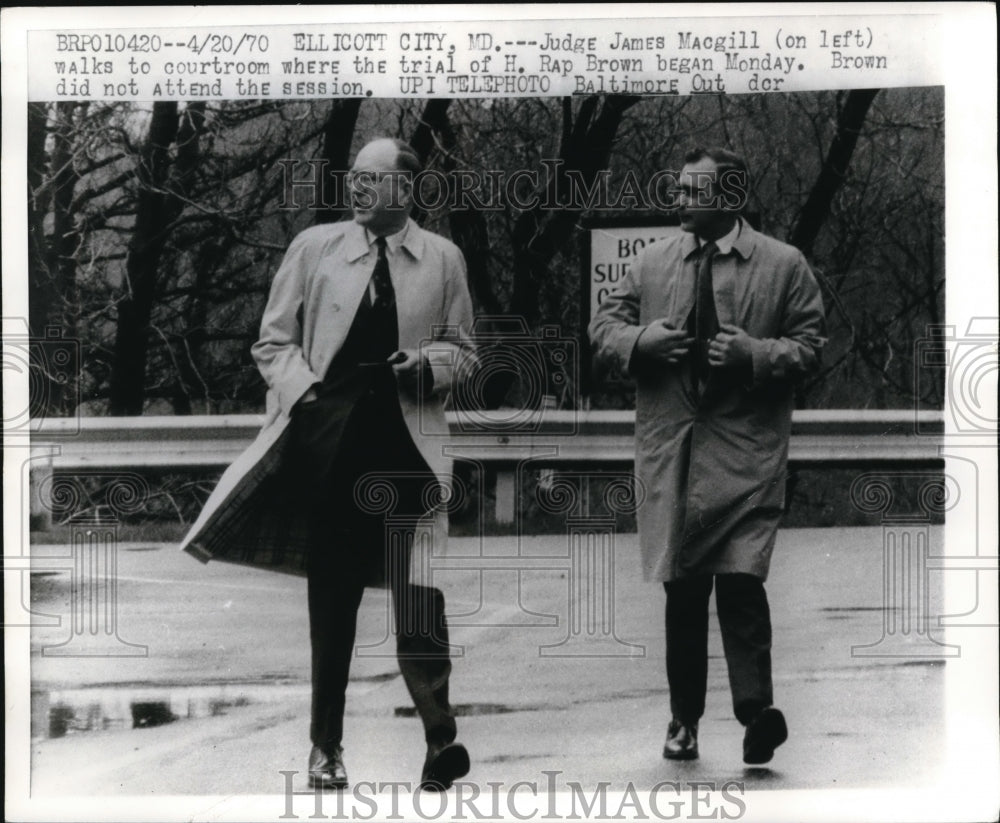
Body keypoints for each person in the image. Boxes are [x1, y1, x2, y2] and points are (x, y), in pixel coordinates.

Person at [181, 137, 478, 791]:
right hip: (332, 445)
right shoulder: (314, 250)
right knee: (334, 601)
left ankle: (439, 741)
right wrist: (308, 399)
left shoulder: (443, 260)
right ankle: (325, 747)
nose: (357, 191)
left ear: (405, 190)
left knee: (418, 597)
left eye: (372, 181)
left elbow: (465, 350)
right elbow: (273, 339)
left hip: (406, 451)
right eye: (354, 180)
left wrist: (428, 365)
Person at [588, 147, 826, 765]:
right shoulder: (652, 263)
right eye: (680, 190)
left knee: (743, 581)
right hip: (674, 448)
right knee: (684, 592)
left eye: (694, 191)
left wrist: (753, 354)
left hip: (746, 449)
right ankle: (683, 720)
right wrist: (642, 341)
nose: (681, 201)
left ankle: (756, 714)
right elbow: (601, 330)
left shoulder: (783, 264)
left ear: (730, 198)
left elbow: (809, 348)